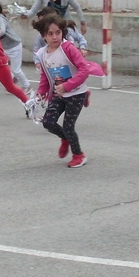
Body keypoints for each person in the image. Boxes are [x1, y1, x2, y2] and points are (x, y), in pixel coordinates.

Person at [33, 13, 103, 168]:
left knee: (68, 126)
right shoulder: (42, 54)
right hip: (59, 94)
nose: (55, 36)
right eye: (50, 34)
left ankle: (79, 155)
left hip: (76, 93)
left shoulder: (68, 48)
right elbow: (45, 76)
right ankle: (65, 138)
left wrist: (67, 85)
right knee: (48, 122)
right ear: (44, 36)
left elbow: (84, 70)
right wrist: (41, 92)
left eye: (58, 32)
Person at [0, 0, 32, 94]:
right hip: (6, 47)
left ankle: (27, 85)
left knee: (16, 69)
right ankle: (14, 78)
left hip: (14, 46)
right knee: (1, 64)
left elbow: (2, 31)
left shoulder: (0, 19)